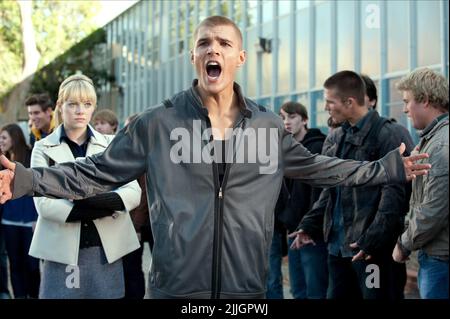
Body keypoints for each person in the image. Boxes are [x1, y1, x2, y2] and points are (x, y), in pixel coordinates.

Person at [0, 16, 430, 299]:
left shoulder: (266, 127)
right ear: (193, 56)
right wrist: (26, 179)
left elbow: (322, 168)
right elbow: (94, 172)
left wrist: (387, 168)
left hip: (246, 293)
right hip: (176, 290)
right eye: (203, 42)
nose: (213, 49)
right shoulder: (157, 123)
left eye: (224, 43)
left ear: (239, 58)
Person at [291, 70, 414, 300]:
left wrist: (371, 242)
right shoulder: (336, 137)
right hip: (337, 250)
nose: (326, 108)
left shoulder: (389, 134)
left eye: (330, 102)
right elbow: (331, 190)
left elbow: (395, 197)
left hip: (372, 256)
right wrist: (309, 224)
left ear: (349, 102)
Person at [28, 74, 142, 298]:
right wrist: (105, 205)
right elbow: (44, 204)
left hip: (106, 250)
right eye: (73, 104)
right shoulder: (42, 148)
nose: (80, 110)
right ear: (60, 106)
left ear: (93, 108)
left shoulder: (111, 144)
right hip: (60, 251)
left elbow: (132, 193)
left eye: (87, 104)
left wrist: (88, 201)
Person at [393, 68, 448, 299]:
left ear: (425, 100)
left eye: (407, 101)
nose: (405, 109)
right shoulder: (433, 140)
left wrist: (403, 245)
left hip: (441, 258)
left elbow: (433, 210)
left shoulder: (440, 145)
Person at [268, 101, 328, 299]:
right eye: (283, 117)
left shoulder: (317, 147)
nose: (286, 122)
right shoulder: (284, 150)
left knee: (315, 289)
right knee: (298, 290)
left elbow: (320, 192)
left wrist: (310, 225)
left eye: (292, 117)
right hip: (293, 229)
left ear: (304, 120)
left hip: (312, 232)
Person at [0, 123, 40, 298]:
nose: (0, 141)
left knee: (31, 265)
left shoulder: (31, 156)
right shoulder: (2, 161)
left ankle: (35, 294)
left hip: (30, 221)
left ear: (14, 137)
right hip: (9, 220)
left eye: (4, 138)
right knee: (15, 265)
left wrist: (38, 218)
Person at [121, 113, 152, 299]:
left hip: (147, 223)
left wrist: (137, 225)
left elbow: (145, 194)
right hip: (134, 222)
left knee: (153, 270)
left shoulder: (148, 154)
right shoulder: (129, 153)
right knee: (132, 268)